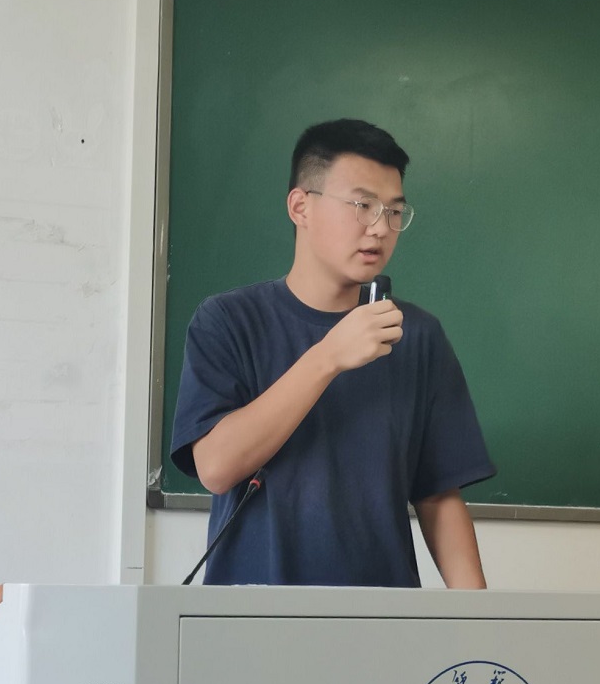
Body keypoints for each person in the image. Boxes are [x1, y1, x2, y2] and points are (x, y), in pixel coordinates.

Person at [170, 118, 495, 588]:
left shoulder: (417, 336)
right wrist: (328, 357)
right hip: (252, 616)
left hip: (382, 616)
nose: (380, 229)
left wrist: (478, 619)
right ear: (300, 207)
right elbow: (216, 468)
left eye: (394, 211)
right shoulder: (227, 321)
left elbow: (438, 497)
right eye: (363, 206)